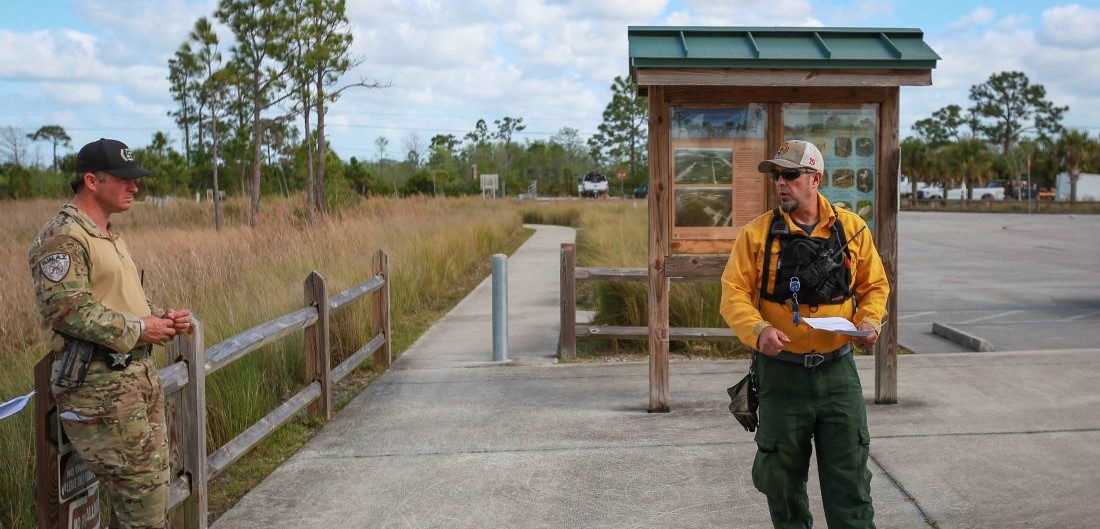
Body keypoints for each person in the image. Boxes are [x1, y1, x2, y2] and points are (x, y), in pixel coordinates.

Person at [720, 139, 889, 529]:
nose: (781, 183)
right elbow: (734, 293)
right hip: (781, 376)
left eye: (791, 175)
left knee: (850, 478)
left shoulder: (852, 229)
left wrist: (869, 322)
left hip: (837, 375)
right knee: (780, 479)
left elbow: (874, 286)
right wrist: (758, 330)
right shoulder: (756, 235)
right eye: (777, 176)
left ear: (815, 178)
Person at [28, 138, 192, 529]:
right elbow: (67, 311)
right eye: (124, 179)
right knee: (143, 503)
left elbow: (117, 300)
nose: (134, 187)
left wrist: (162, 319)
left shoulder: (107, 234)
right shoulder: (64, 236)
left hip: (134, 379)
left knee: (149, 495)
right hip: (99, 385)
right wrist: (142, 327)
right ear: (91, 180)